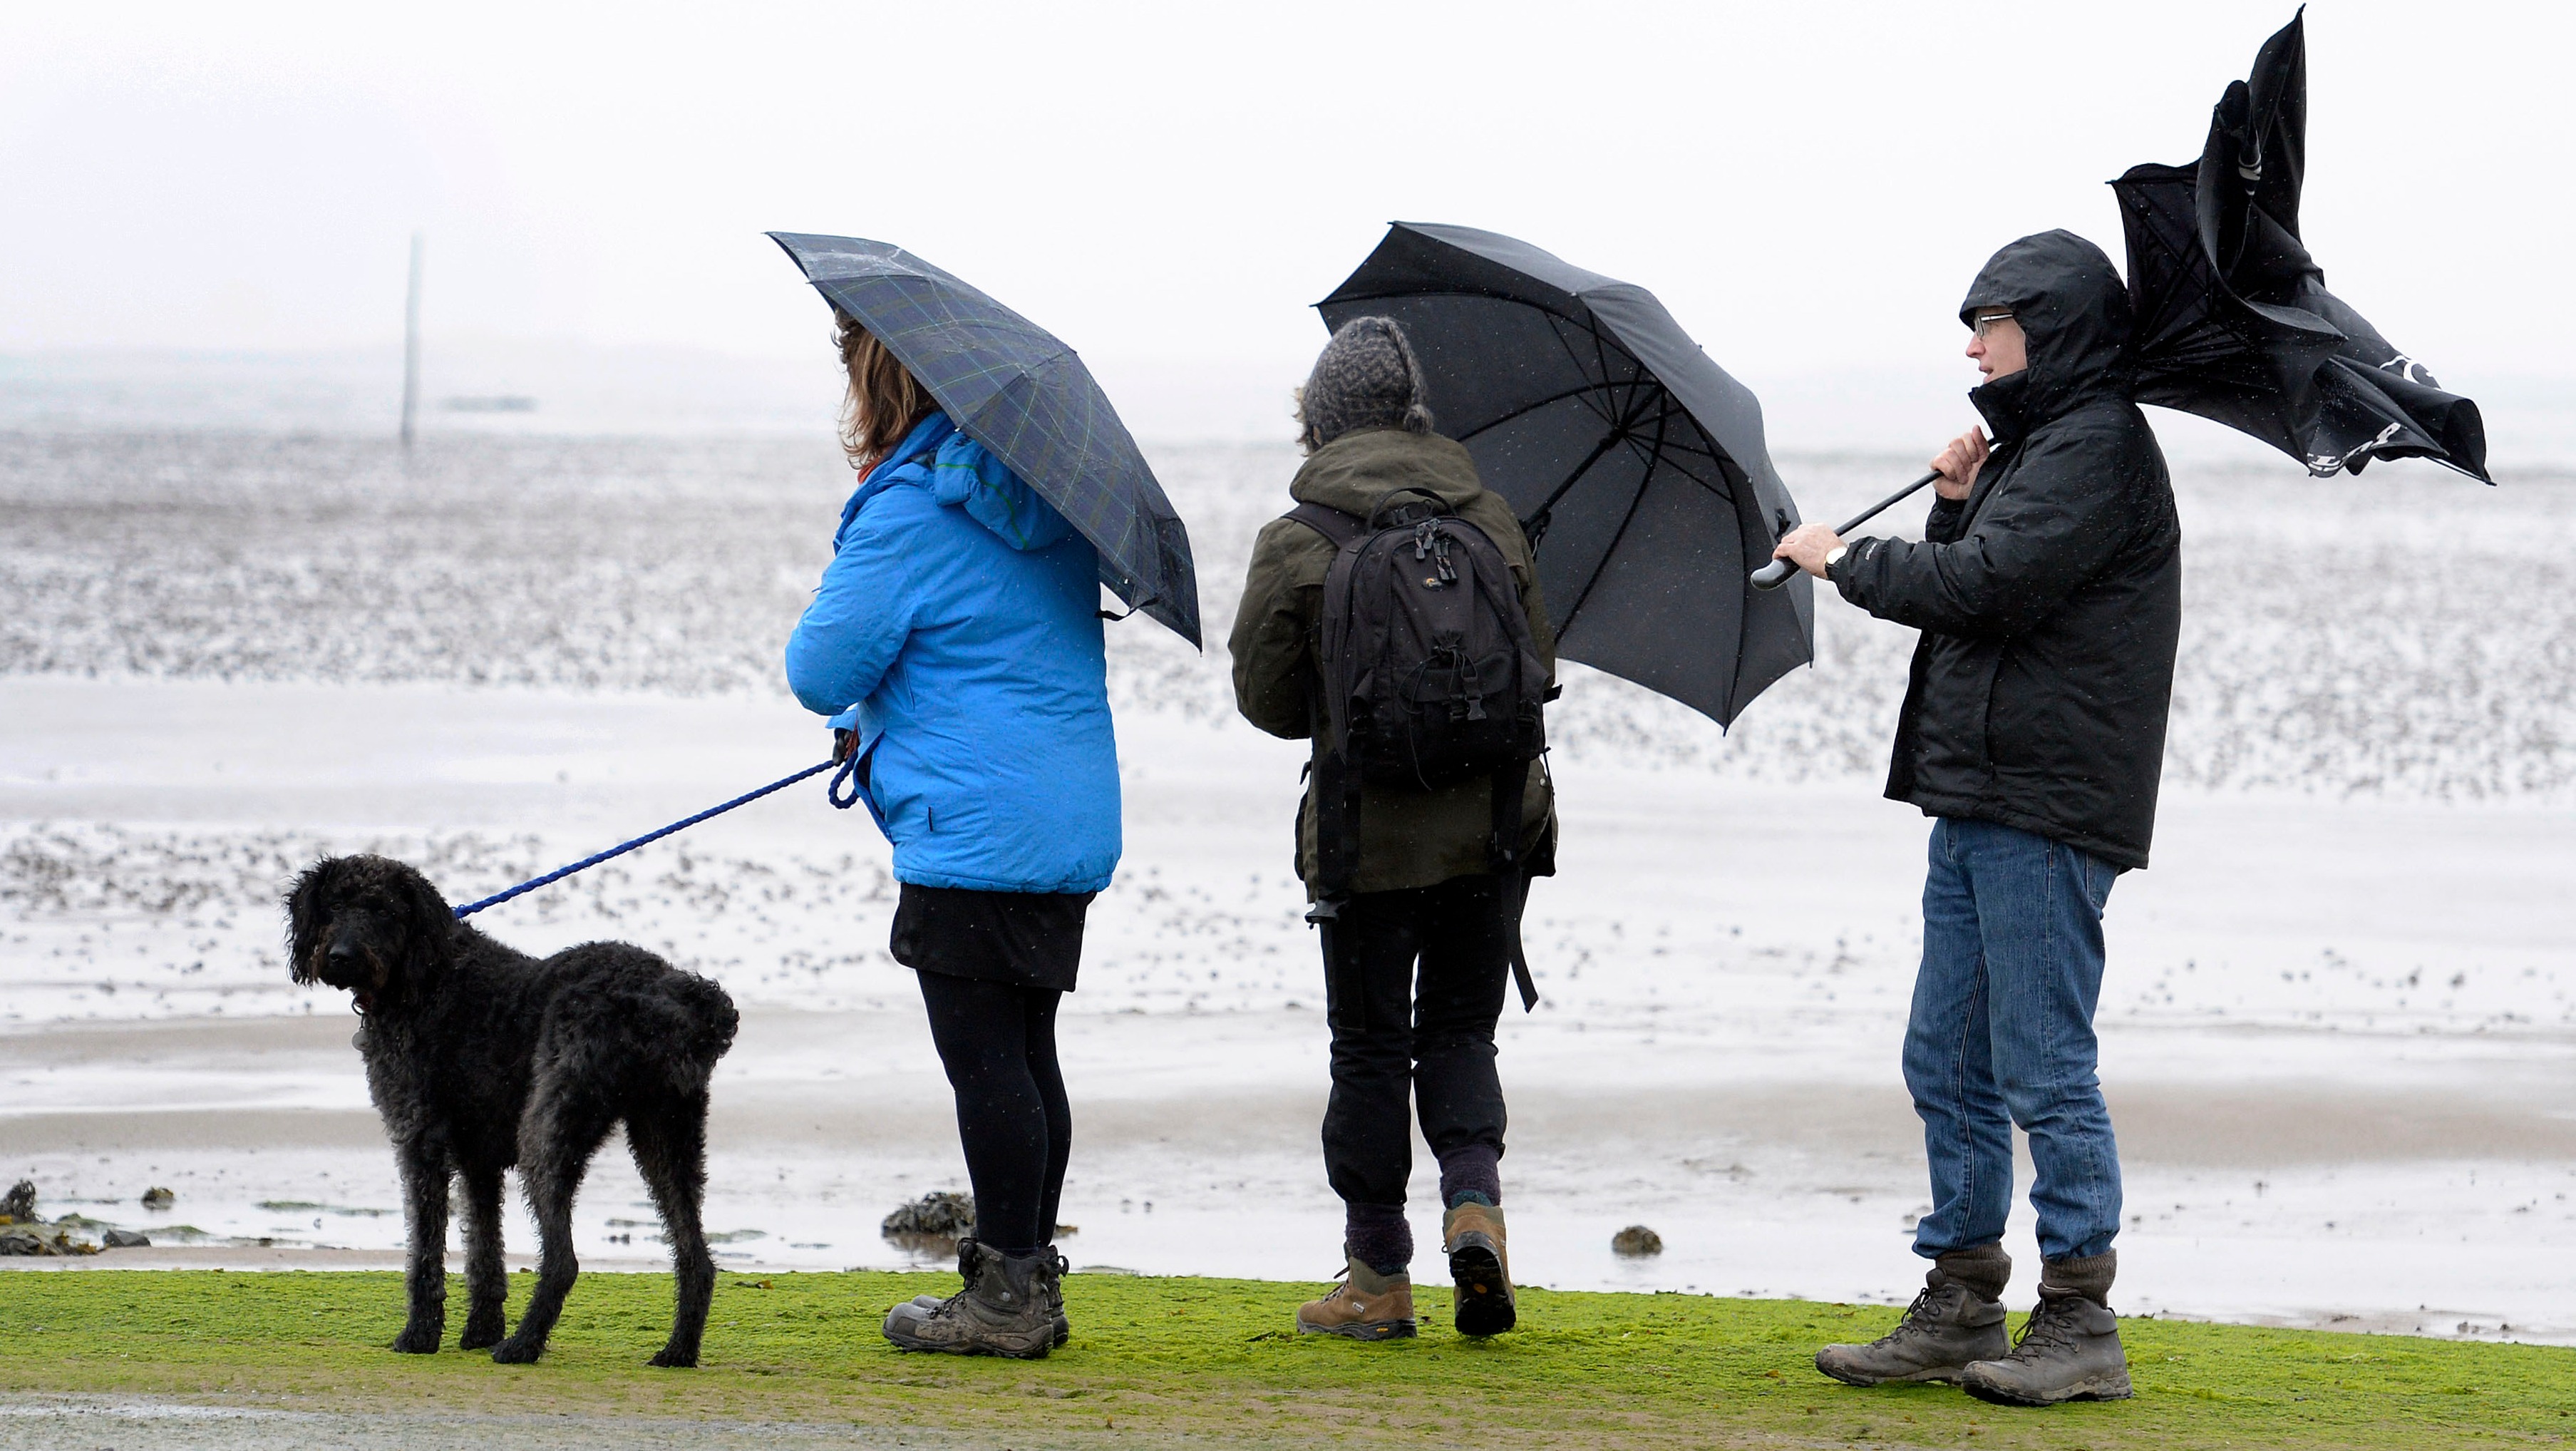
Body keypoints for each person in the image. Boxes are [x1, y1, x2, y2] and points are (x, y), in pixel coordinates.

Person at [1771, 231, 2180, 1407]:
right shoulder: (2042, 445)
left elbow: (1987, 591)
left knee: (2043, 1066)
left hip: (2047, 804)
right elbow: (1988, 589)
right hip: (1979, 793)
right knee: (1942, 1057)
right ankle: (1959, 1302)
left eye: (1987, 325)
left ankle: (2079, 1319)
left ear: (2043, 330)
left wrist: (1844, 559)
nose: (1971, 347)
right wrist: (1955, 507)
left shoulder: (2096, 444)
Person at [785, 314, 1120, 1360]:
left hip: (971, 827)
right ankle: (1025, 1279)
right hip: (1059, 818)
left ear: (879, 385)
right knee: (1027, 1054)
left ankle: (1007, 1297)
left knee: (986, 1064)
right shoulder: (1051, 499)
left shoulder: (910, 510)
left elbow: (817, 670)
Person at [1230, 317, 1557, 1340]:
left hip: (1363, 843)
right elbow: (1536, 673)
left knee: (1369, 1050)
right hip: (1494, 834)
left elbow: (1267, 703)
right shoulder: (1492, 521)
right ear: (1417, 413)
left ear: (1320, 422)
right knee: (1461, 1033)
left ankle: (1376, 1279)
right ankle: (1475, 1208)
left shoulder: (1300, 538)